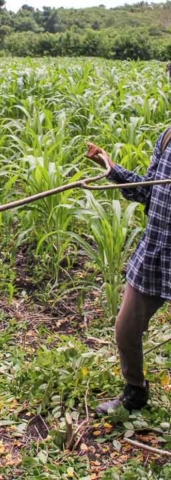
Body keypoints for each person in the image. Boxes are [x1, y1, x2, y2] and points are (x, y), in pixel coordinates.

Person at [86, 134, 171, 415]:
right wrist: (111, 169)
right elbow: (147, 191)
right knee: (126, 329)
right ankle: (135, 392)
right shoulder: (167, 138)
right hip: (156, 257)